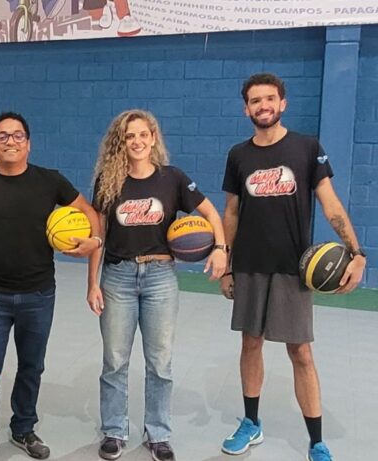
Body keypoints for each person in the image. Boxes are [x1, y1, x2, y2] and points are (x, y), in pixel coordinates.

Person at [219, 73, 366, 461]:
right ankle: (251, 422)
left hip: (293, 267)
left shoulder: (306, 148)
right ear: (246, 109)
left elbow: (330, 204)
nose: (263, 105)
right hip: (250, 265)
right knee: (250, 343)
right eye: (255, 100)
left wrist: (357, 252)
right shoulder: (238, 155)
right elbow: (231, 212)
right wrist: (227, 265)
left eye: (270, 98)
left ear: (282, 103)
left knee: (300, 351)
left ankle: (316, 441)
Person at [0, 111, 101, 460]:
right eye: (3, 136)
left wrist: (94, 240)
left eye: (18, 135)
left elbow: (91, 213)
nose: (11, 141)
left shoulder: (50, 180)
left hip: (39, 294)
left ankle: (23, 428)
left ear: (29, 144)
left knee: (32, 366)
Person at [85, 110, 227, 461]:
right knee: (114, 360)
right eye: (129, 136)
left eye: (142, 135)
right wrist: (92, 284)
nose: (136, 141)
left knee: (160, 362)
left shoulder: (173, 178)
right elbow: (98, 237)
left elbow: (212, 213)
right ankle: (114, 430)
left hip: (160, 277)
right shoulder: (108, 181)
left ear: (153, 138)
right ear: (120, 142)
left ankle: (158, 434)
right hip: (117, 276)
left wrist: (221, 248)